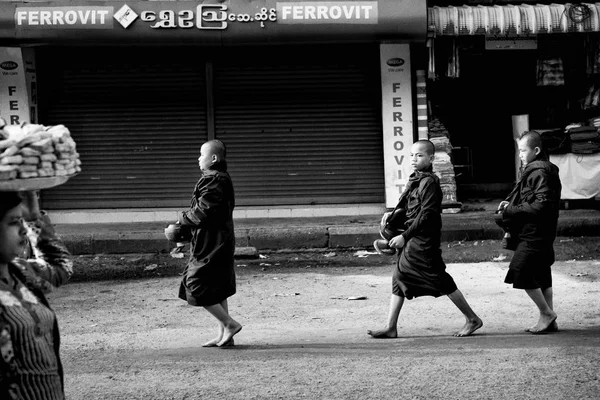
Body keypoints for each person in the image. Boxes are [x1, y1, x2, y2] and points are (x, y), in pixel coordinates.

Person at [367, 140, 483, 338]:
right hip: (413, 236)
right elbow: (410, 208)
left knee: (439, 279)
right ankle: (391, 327)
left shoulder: (429, 182)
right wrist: (392, 215)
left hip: (423, 240)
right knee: (398, 276)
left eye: (419, 155)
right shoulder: (416, 179)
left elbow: (426, 214)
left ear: (430, 158)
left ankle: (472, 319)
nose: (414, 159)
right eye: (412, 155)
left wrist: (404, 236)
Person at [0, 190, 73, 399]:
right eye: (14, 222)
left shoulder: (20, 271)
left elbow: (61, 267)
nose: (24, 230)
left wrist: (33, 216)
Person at [173, 140, 242, 347]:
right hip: (217, 240)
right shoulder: (218, 179)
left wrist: (181, 221)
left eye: (201, 154)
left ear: (213, 158)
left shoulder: (214, 180)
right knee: (217, 286)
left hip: (212, 243)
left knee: (195, 284)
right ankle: (224, 334)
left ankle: (229, 324)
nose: (198, 158)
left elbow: (203, 211)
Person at [496, 131, 561, 334]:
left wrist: (510, 210)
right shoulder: (536, 170)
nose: (520, 155)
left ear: (536, 150)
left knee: (520, 272)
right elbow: (532, 199)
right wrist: (512, 203)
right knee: (542, 273)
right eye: (519, 150)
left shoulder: (540, 172)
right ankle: (549, 320)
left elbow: (541, 206)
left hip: (536, 232)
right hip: (538, 231)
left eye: (523, 150)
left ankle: (546, 314)